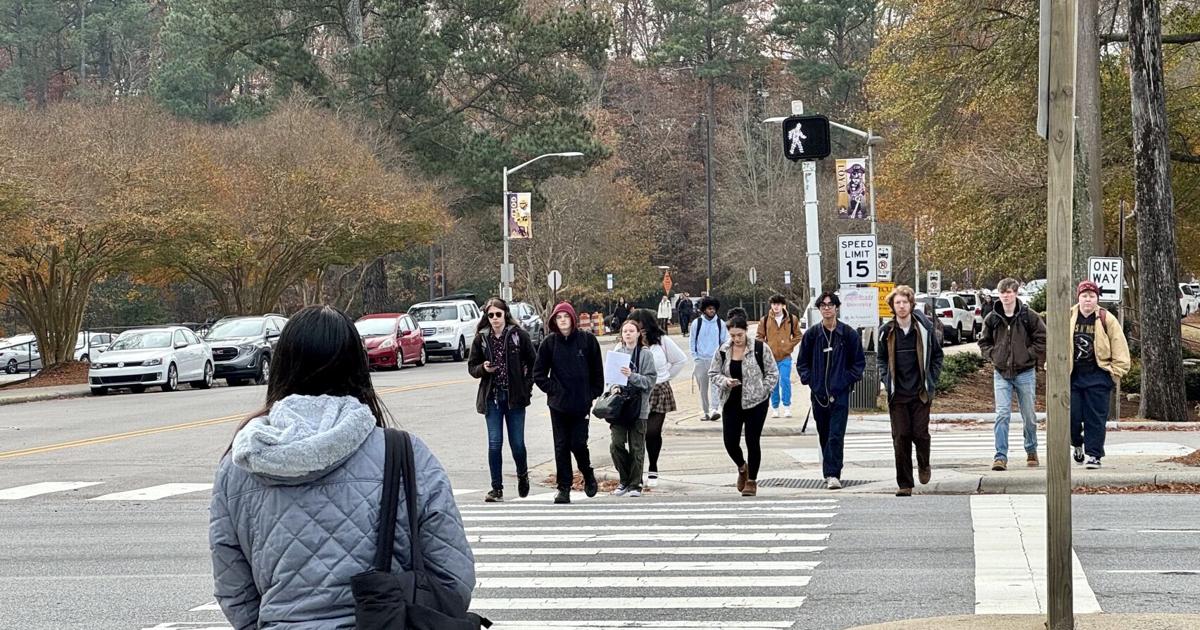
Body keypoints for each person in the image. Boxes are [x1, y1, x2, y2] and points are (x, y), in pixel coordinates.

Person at [209, 305, 474, 628]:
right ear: (358, 367)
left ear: (281, 366)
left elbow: (232, 585)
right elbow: (453, 577)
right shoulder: (404, 454)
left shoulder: (240, 464)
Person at [534, 301, 605, 504]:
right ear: (554, 321)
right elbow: (538, 374)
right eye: (559, 317)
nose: (563, 320)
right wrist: (553, 390)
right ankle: (563, 488)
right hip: (558, 404)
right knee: (561, 445)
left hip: (581, 403)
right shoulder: (549, 343)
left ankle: (587, 473)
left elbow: (597, 373)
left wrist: (591, 393)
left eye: (566, 316)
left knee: (578, 443)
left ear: (572, 319)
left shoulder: (587, 341)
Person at [468, 297, 537, 502]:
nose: (495, 318)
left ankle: (522, 475)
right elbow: (472, 367)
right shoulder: (481, 338)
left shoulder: (518, 336)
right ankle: (496, 488)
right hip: (492, 397)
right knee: (494, 443)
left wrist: (527, 387)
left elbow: (533, 363)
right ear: (486, 317)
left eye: (498, 314)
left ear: (505, 314)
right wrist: (483, 368)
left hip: (515, 398)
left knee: (517, 443)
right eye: (491, 315)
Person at [878, 285, 944, 497]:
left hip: (920, 392)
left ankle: (924, 464)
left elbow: (937, 356)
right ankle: (905, 483)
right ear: (892, 306)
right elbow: (880, 359)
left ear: (911, 304)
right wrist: (886, 379)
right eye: (897, 302)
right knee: (901, 437)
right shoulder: (886, 332)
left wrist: (931, 380)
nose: (901, 306)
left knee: (920, 434)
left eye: (905, 302)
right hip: (898, 394)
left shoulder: (923, 330)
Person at [797, 292, 866, 490]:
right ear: (819, 309)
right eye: (823, 305)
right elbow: (802, 363)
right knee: (824, 434)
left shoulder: (848, 334)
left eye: (830, 305)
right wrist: (812, 381)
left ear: (837, 308)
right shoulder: (812, 335)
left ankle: (832, 474)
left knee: (836, 435)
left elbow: (858, 363)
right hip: (819, 395)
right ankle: (829, 470)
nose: (827, 308)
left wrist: (845, 381)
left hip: (840, 393)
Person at [709, 308, 780, 497]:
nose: (736, 339)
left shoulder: (759, 348)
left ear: (745, 331)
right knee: (730, 441)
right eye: (732, 335)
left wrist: (763, 389)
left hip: (756, 402)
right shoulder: (723, 350)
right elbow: (713, 373)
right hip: (731, 400)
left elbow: (773, 373)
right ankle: (742, 467)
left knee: (752, 440)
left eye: (739, 335)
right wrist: (725, 381)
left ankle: (752, 480)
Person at [977, 278, 1047, 471]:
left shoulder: (1028, 316)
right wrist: (993, 355)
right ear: (998, 294)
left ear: (1016, 293)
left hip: (1024, 371)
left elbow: (1042, 338)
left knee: (1029, 415)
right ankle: (1000, 456)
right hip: (1001, 372)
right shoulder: (992, 318)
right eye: (1002, 292)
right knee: (1002, 414)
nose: (1006, 296)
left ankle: (1031, 449)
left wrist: (1029, 355)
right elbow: (984, 342)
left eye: (1009, 292)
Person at [1070, 280, 1131, 469]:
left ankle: (1094, 455)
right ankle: (1077, 443)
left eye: (1092, 296)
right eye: (1084, 296)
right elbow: (1056, 343)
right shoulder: (1069, 316)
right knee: (1071, 417)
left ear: (1097, 298)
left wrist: (1116, 371)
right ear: (1078, 297)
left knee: (1095, 419)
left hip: (1098, 375)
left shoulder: (1106, 319)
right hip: (1073, 375)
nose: (1088, 299)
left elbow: (1119, 345)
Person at [628, 309, 689, 488]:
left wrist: (665, 376)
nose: (637, 331)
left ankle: (653, 466)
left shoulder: (662, 341)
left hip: (658, 389)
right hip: (635, 391)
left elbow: (680, 360)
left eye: (640, 327)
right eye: (632, 327)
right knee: (637, 433)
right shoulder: (628, 343)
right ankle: (635, 472)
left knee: (653, 432)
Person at [605, 319, 656, 497]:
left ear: (638, 334)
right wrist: (613, 387)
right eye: (625, 331)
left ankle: (635, 484)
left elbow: (650, 381)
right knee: (616, 444)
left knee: (637, 446)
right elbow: (609, 379)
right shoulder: (617, 352)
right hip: (619, 407)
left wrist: (632, 376)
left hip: (638, 406)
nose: (628, 334)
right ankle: (624, 479)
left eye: (631, 331)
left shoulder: (645, 354)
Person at [756, 294, 803, 418]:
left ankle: (787, 406)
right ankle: (775, 407)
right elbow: (759, 336)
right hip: (770, 358)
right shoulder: (765, 320)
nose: (776, 307)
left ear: (783, 306)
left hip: (785, 357)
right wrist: (766, 347)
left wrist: (789, 345)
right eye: (774, 304)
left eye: (778, 304)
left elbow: (798, 335)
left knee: (785, 381)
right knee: (773, 383)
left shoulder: (791, 319)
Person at [690, 296, 728, 422]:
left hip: (715, 360)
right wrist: (695, 358)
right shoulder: (697, 323)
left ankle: (714, 410)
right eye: (709, 308)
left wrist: (722, 357)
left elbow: (724, 341)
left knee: (715, 386)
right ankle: (705, 411)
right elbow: (692, 341)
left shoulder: (720, 323)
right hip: (700, 360)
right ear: (704, 309)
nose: (712, 311)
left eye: (713, 309)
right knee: (703, 388)